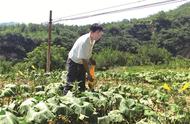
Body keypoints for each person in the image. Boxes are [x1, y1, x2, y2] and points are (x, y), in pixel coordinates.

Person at [63, 23, 103, 95]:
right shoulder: (85, 41)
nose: (99, 36)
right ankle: (64, 98)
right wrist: (89, 74)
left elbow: (87, 54)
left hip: (81, 61)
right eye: (98, 33)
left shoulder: (92, 40)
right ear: (91, 32)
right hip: (73, 61)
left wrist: (91, 61)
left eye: (100, 34)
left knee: (81, 83)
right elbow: (84, 60)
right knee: (70, 82)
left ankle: (81, 98)